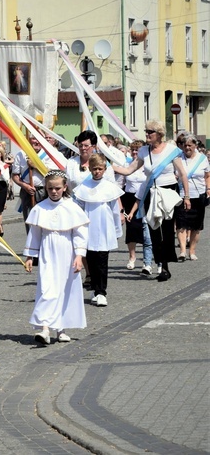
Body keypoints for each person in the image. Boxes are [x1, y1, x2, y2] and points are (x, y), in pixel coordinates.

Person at [112, 120, 191, 282]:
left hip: (168, 192)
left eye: (150, 132)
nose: (147, 134)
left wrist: (187, 196)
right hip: (151, 193)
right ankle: (160, 263)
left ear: (159, 134)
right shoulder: (143, 151)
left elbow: (182, 173)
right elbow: (128, 170)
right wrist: (108, 165)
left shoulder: (171, 150)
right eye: (146, 131)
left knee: (167, 231)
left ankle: (166, 266)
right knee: (154, 230)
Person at [24, 170, 89, 345]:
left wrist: (79, 255)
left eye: (57, 188)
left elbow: (80, 233)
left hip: (67, 251)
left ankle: (61, 328)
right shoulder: (40, 208)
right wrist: (30, 256)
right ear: (46, 187)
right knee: (47, 288)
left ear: (65, 187)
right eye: (50, 188)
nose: (54, 191)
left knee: (64, 289)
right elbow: (35, 234)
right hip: (47, 251)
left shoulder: (72, 207)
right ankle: (45, 328)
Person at [73, 154, 124, 307]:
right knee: (91, 260)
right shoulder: (84, 186)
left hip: (104, 227)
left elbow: (115, 210)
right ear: (89, 169)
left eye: (100, 169)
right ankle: (95, 289)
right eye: (94, 169)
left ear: (105, 169)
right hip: (88, 226)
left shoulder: (109, 188)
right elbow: (78, 208)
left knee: (102, 260)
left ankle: (102, 292)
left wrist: (116, 229)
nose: (97, 172)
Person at [11, 133, 66, 231]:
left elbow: (57, 174)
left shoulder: (50, 154)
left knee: (46, 221)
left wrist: (37, 166)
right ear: (29, 140)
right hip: (27, 191)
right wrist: (24, 186)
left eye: (39, 139)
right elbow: (15, 176)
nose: (36, 141)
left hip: (45, 191)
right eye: (34, 139)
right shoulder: (22, 154)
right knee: (30, 222)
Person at [122, 140, 154, 275]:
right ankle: (132, 256)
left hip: (145, 198)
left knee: (148, 229)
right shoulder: (126, 165)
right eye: (133, 150)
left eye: (137, 150)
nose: (135, 152)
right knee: (132, 228)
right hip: (129, 198)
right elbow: (121, 183)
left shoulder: (148, 165)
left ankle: (148, 260)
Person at [175, 134, 209, 261]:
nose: (187, 147)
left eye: (190, 145)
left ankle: (192, 251)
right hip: (181, 194)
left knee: (196, 226)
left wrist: (208, 189)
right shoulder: (178, 158)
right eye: (185, 145)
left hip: (198, 194)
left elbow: (207, 176)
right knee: (181, 223)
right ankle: (183, 250)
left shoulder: (202, 159)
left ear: (195, 145)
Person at [65, 130, 116, 195]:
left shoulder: (103, 163)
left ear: (94, 146)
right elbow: (66, 185)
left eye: (86, 146)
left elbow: (112, 187)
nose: (83, 148)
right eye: (80, 145)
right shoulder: (71, 163)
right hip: (76, 202)